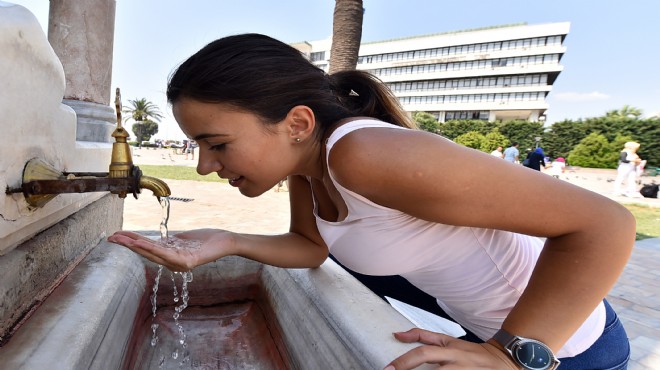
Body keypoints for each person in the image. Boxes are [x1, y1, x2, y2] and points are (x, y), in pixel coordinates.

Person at [108, 34, 634, 370]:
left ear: (296, 124)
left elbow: (604, 223)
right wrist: (225, 241)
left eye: (217, 144)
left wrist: (511, 354)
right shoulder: (308, 167)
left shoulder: (365, 155)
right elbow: (309, 248)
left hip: (567, 347)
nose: (204, 165)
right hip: (497, 329)